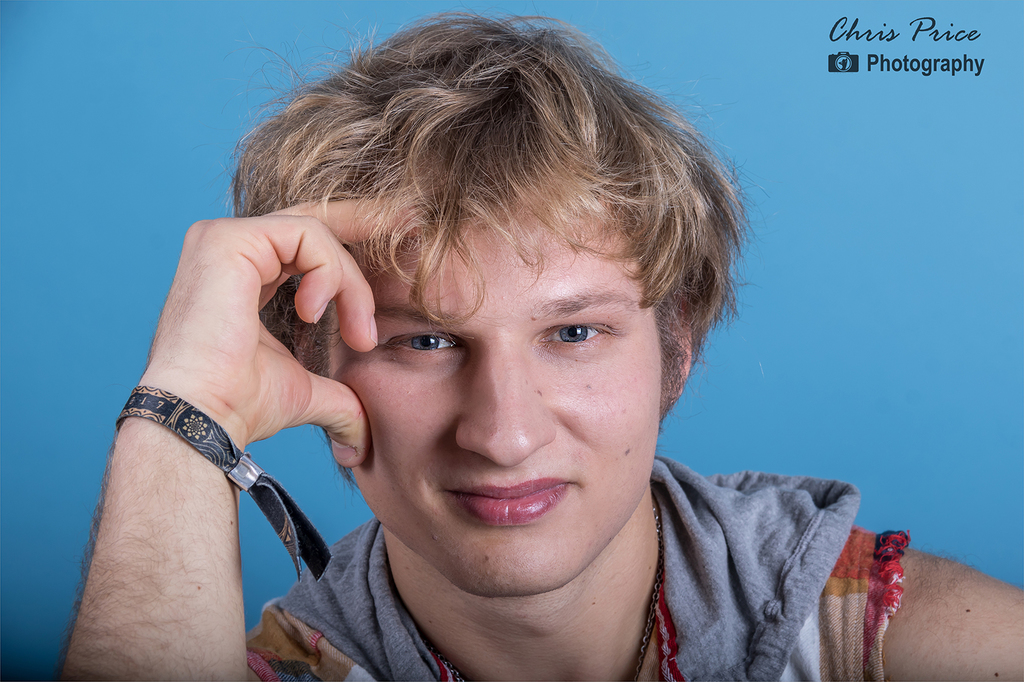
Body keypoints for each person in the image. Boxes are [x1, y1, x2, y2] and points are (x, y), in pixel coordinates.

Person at [61, 13, 1022, 681]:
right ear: (311, 369)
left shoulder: (892, 641)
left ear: (677, 347)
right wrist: (184, 410)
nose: (504, 434)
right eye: (423, 340)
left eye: (573, 332)